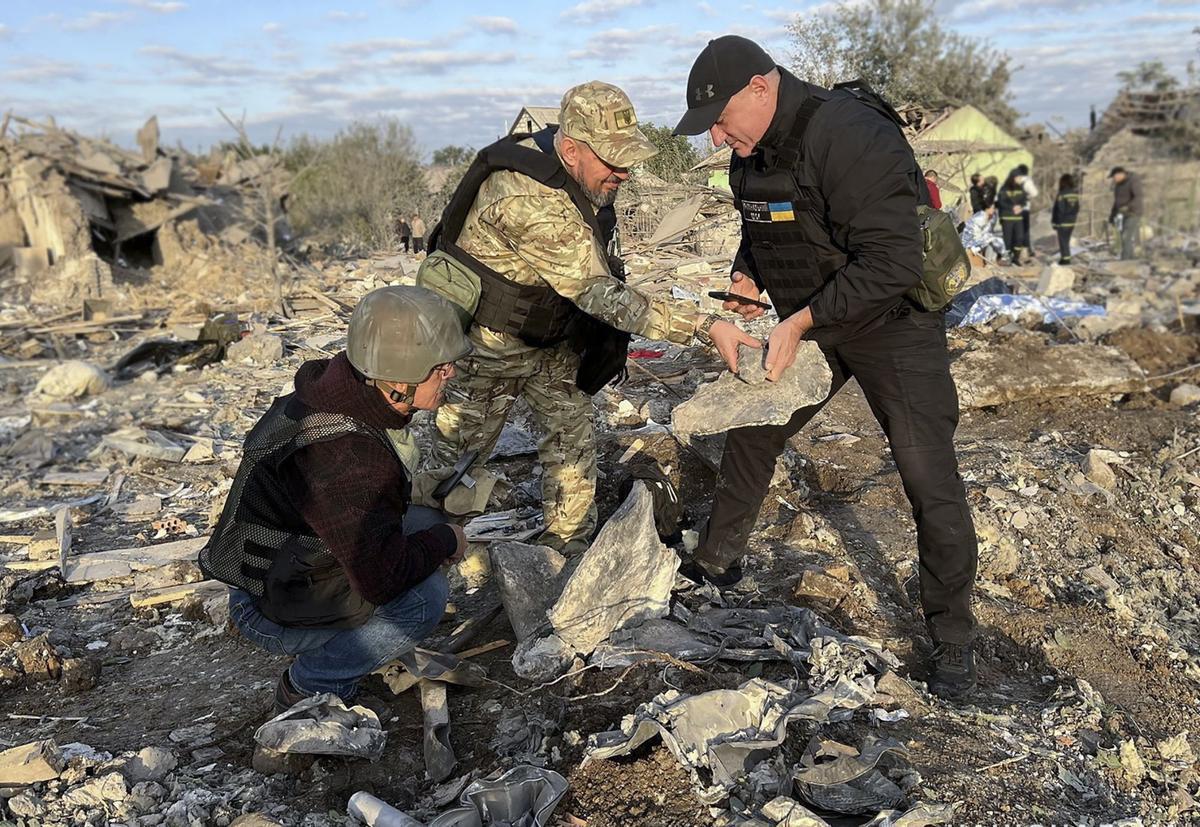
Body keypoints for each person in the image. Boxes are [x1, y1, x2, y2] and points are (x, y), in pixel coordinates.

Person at [672, 35, 979, 698]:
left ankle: (953, 638)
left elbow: (894, 261)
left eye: (721, 121)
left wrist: (801, 321)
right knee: (756, 422)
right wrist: (743, 280)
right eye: (711, 130)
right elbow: (762, 230)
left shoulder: (849, 134)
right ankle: (717, 561)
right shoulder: (749, 155)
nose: (719, 139)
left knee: (927, 472)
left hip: (891, 324)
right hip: (810, 320)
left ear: (761, 86)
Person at [430, 81, 755, 555]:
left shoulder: (581, 177)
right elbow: (599, 292)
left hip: (550, 339)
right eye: (611, 160)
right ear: (570, 149)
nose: (622, 172)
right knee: (455, 463)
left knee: (572, 446)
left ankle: (567, 555)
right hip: (491, 347)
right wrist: (706, 326)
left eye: (627, 159)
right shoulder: (526, 199)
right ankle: (421, 562)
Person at [199, 286, 473, 714]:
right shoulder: (347, 456)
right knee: (425, 598)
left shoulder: (335, 392)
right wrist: (446, 541)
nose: (451, 374)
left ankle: (351, 649)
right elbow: (381, 580)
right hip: (267, 606)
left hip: (277, 570)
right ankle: (311, 684)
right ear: (401, 379)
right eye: (441, 368)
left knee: (420, 518)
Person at [1109, 166, 1142, 260]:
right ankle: (1131, 259)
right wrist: (1112, 216)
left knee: (1126, 236)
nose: (1114, 179)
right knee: (1123, 237)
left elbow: (1138, 197)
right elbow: (1116, 202)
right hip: (1120, 215)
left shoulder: (1133, 181)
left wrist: (1128, 207)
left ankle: (1125, 259)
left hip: (1133, 213)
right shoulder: (1117, 186)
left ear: (1121, 174)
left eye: (1114, 176)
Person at [997, 170, 1029, 265]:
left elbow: (1024, 200)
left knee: (1019, 238)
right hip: (1007, 218)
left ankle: (1016, 258)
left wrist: (1021, 207)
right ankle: (1007, 259)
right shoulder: (1004, 189)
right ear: (1013, 178)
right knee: (1008, 240)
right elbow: (1001, 202)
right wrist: (1012, 208)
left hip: (1018, 218)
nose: (1020, 180)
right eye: (1018, 178)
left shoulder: (1021, 188)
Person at [1051, 173, 1080, 265]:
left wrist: (1056, 222)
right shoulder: (1074, 194)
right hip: (1071, 222)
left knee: (1063, 241)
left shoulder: (1062, 194)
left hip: (1063, 222)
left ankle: (1065, 259)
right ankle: (1066, 257)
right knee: (1066, 240)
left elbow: (1059, 209)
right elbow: (1077, 208)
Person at [1015, 163, 1038, 260]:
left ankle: (1017, 251)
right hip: (1024, 209)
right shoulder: (1027, 181)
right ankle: (1027, 250)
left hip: (1014, 209)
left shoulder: (1014, 181)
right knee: (1025, 230)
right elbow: (1034, 193)